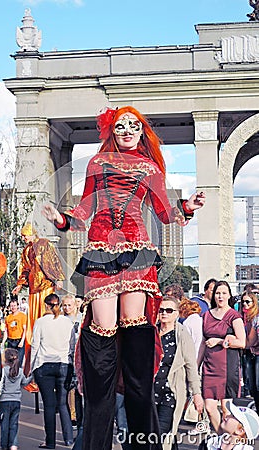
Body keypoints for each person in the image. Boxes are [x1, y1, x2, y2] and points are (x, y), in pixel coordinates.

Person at [43, 105, 205, 450]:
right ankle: (97, 438)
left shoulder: (149, 168)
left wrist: (188, 206)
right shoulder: (96, 163)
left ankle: (141, 442)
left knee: (135, 334)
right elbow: (85, 208)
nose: (128, 130)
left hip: (137, 251)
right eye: (121, 126)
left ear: (141, 131)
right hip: (100, 249)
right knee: (101, 333)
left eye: (134, 126)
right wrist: (62, 219)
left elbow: (164, 213)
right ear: (111, 130)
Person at [12, 223, 65, 370]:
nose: (23, 238)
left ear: (31, 233)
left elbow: (53, 261)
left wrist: (58, 278)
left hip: (46, 287)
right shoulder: (26, 250)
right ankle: (33, 366)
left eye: (25, 235)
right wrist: (20, 284)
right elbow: (25, 269)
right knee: (34, 325)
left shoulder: (44, 244)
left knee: (46, 318)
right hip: (33, 290)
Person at [154, 296, 204, 450]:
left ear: (177, 313)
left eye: (169, 310)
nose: (164, 313)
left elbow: (191, 366)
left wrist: (196, 394)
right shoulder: (152, 332)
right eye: (161, 310)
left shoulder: (182, 335)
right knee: (159, 436)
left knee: (160, 436)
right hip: (150, 393)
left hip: (171, 392)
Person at [198, 281, 246, 433]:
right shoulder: (206, 315)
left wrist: (220, 341)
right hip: (209, 366)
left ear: (229, 295)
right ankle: (221, 437)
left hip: (227, 367)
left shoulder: (234, 316)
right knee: (210, 408)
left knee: (226, 410)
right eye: (218, 293)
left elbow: (242, 342)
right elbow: (203, 343)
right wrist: (195, 365)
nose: (220, 296)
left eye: (224, 293)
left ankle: (227, 441)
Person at [30, 293, 75, 448]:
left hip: (44, 365)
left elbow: (35, 346)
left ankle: (50, 442)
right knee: (63, 404)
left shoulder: (40, 322)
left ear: (46, 305)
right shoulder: (67, 323)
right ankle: (69, 438)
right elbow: (72, 346)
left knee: (49, 405)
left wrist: (31, 368)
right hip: (63, 364)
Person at [0, 348, 32, 450]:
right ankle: (13, 444)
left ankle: (4, 445)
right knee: (14, 423)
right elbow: (24, 383)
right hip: (16, 401)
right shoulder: (19, 371)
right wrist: (32, 377)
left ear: (5, 359)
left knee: (4, 424)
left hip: (4, 401)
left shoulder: (4, 371)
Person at [61, 294, 83, 429]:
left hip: (79, 357)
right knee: (68, 390)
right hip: (66, 358)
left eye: (69, 305)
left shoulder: (81, 318)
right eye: (65, 305)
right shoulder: (61, 320)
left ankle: (79, 421)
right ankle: (72, 418)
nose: (67, 308)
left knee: (79, 391)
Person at [2, 298, 27, 367]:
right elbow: (6, 330)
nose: (13, 307)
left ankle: (18, 376)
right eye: (11, 306)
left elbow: (25, 329)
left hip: (19, 340)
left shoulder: (23, 316)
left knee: (18, 362)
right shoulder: (8, 318)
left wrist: (22, 341)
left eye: (14, 305)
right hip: (10, 341)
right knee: (10, 363)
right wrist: (3, 341)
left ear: (18, 306)